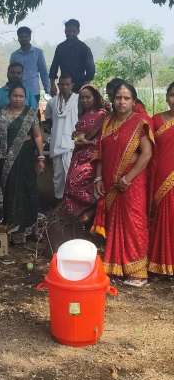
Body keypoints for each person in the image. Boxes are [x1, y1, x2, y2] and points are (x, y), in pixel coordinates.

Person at [92, 83, 153, 287]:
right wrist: (98, 178)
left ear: (134, 102)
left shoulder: (140, 122)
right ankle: (117, 267)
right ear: (113, 99)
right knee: (114, 223)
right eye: (118, 97)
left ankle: (137, 273)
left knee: (134, 223)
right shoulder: (107, 122)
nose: (122, 102)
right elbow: (100, 153)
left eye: (126, 98)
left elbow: (146, 154)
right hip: (110, 182)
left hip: (132, 183)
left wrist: (128, 178)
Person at [0, 83, 45, 243]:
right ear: (9, 97)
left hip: (26, 158)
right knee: (10, 193)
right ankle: (12, 229)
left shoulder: (31, 113)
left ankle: (28, 229)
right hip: (6, 162)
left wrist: (41, 157)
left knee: (28, 191)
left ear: (25, 98)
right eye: (15, 96)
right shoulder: (0, 114)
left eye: (21, 96)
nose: (18, 99)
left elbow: (37, 135)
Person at [62, 85, 107, 223]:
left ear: (95, 97)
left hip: (92, 155)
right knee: (70, 182)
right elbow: (77, 136)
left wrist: (85, 140)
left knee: (79, 183)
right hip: (78, 155)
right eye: (82, 98)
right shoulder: (83, 114)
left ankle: (90, 211)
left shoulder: (101, 114)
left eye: (88, 97)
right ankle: (77, 216)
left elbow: (102, 137)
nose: (85, 100)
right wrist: (77, 138)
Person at [148, 82, 174, 276]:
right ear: (166, 98)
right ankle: (161, 262)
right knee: (164, 218)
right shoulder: (155, 120)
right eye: (172, 95)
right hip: (161, 177)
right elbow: (145, 148)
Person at [44, 73, 79, 200]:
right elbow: (48, 121)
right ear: (58, 85)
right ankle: (59, 201)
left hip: (72, 144)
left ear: (72, 85)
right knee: (58, 176)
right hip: (57, 143)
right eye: (62, 84)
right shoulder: (52, 102)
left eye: (67, 84)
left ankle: (72, 203)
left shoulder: (78, 100)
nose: (64, 87)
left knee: (72, 174)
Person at [49, 19, 95, 94]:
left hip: (79, 87)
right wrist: (52, 85)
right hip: (64, 86)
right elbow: (54, 67)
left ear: (78, 31)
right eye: (68, 31)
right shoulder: (60, 48)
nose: (70, 33)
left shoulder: (84, 48)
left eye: (73, 31)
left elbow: (91, 70)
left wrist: (85, 87)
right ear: (65, 31)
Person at [9, 26, 50, 106]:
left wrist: (47, 89)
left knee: (33, 112)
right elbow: (11, 74)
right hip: (17, 92)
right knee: (18, 112)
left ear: (30, 37)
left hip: (33, 91)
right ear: (18, 38)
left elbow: (43, 72)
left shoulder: (38, 53)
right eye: (21, 37)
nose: (24, 39)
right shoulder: (14, 55)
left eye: (26, 37)